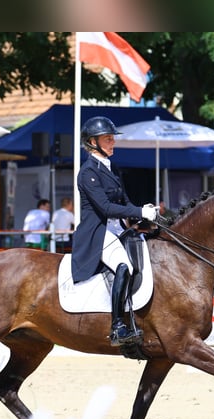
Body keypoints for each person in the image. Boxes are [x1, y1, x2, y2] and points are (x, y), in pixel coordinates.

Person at [71, 116, 158, 347]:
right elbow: (106, 208)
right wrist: (139, 210)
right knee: (124, 265)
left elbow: (124, 201)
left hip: (117, 229)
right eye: (108, 139)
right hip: (97, 233)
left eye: (112, 139)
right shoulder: (88, 172)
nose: (113, 143)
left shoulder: (110, 167)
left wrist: (144, 216)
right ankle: (117, 326)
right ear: (92, 142)